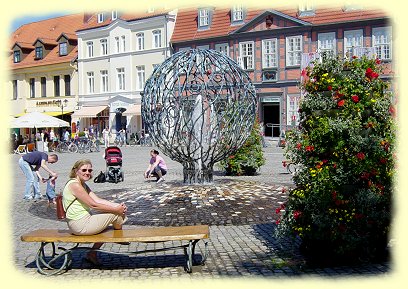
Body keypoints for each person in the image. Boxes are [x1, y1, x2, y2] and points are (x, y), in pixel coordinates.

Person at [62, 159, 128, 265]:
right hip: (80, 224)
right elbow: (93, 205)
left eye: (89, 170)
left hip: (80, 222)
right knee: (116, 215)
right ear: (76, 171)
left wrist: (116, 205)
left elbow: (98, 200)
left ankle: (92, 253)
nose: (87, 173)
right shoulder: (75, 185)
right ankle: (119, 237)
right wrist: (116, 210)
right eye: (84, 170)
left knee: (109, 228)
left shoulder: (82, 184)